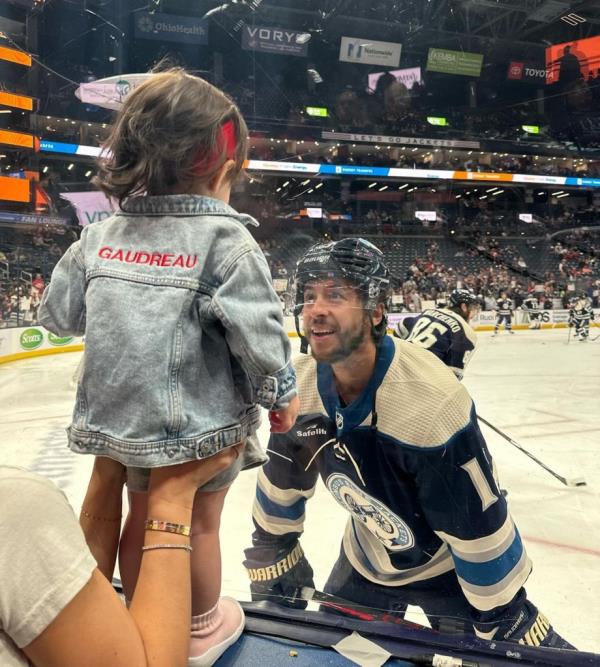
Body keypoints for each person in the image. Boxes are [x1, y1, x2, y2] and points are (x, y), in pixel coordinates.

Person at [38, 67, 299, 666]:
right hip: (195, 427)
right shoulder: (227, 241)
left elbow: (62, 314)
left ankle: (137, 615)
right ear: (220, 162)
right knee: (196, 526)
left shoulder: (100, 234)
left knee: (137, 510)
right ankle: (199, 628)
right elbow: (257, 333)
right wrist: (279, 393)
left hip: (116, 421)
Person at [243, 238, 574, 650]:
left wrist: (499, 611)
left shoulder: (432, 406)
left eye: (335, 294)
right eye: (309, 296)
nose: (316, 308)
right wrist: (273, 545)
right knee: (335, 658)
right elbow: (282, 480)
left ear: (376, 310)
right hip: (367, 559)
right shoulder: (301, 384)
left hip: (450, 572)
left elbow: (476, 526)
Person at [0, 445, 243, 667]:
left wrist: (107, 472)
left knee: (139, 517)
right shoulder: (14, 506)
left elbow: (59, 590)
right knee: (202, 525)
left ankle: (143, 615)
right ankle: (201, 630)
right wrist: (173, 499)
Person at [393, 288, 480, 380]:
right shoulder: (466, 333)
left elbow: (401, 326)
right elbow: (453, 376)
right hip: (421, 379)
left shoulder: (428, 311)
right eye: (473, 307)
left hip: (397, 367)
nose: (475, 312)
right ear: (464, 307)